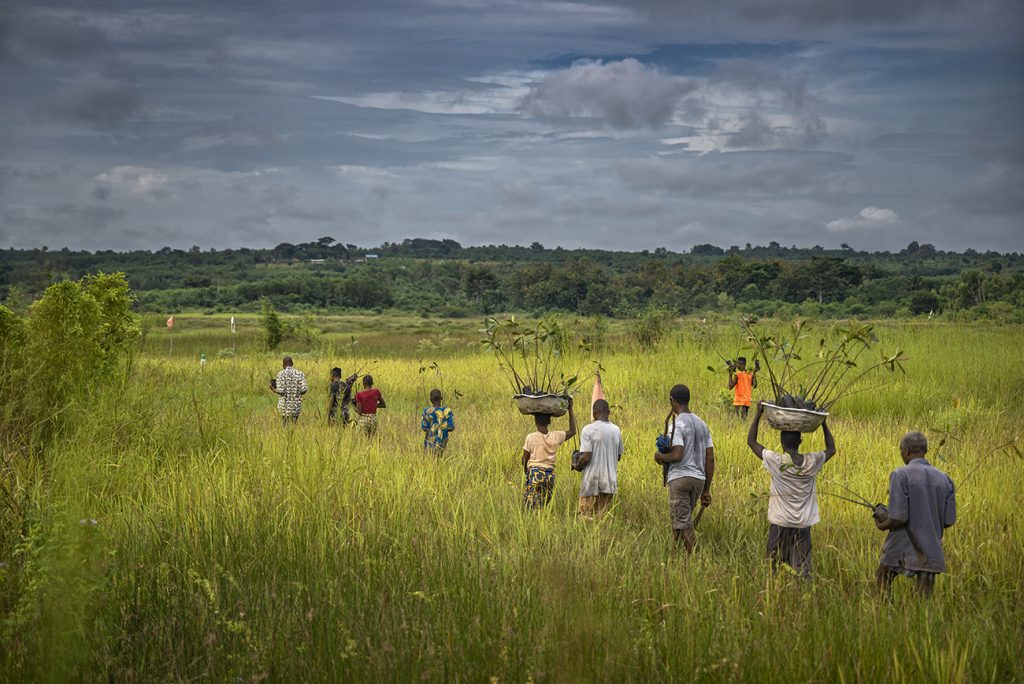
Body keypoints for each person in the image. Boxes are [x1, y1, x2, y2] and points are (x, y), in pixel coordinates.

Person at [747, 401, 836, 578]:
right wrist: (823, 422)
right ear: (800, 441)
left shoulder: (777, 461)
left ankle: (777, 597)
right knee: (802, 571)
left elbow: (751, 442)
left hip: (780, 523)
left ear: (781, 442)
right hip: (803, 524)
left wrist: (757, 414)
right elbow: (831, 449)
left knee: (773, 568)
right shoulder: (812, 461)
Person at [872, 431, 956, 598]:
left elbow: (898, 517)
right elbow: (949, 520)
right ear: (924, 450)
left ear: (907, 451)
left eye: (901, 451)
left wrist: (882, 523)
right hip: (931, 548)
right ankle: (923, 622)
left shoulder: (900, 474)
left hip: (902, 545)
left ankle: (886, 616)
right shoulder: (945, 479)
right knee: (925, 595)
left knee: (883, 576)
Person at [653, 384, 714, 553]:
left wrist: (660, 456)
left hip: (680, 478)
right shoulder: (702, 424)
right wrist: (706, 489)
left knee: (683, 522)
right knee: (681, 518)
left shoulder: (677, 425)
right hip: (699, 480)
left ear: (672, 401)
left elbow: (677, 455)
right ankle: (676, 555)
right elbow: (710, 458)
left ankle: (695, 558)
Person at [522, 399, 577, 510]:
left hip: (535, 474)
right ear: (549, 422)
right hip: (549, 475)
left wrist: (526, 472)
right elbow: (572, 431)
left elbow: (525, 459)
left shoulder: (531, 437)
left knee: (530, 506)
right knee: (543, 505)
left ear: (536, 422)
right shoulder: (556, 436)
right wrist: (570, 409)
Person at [573, 399, 623, 519]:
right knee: (601, 518)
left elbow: (586, 457)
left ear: (595, 413)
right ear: (609, 412)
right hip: (609, 481)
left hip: (591, 480)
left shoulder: (588, 430)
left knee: (584, 517)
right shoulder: (616, 430)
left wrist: (577, 466)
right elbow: (618, 456)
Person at [271, 356, 308, 425]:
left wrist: (274, 389)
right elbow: (304, 389)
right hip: (296, 406)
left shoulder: (280, 374)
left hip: (284, 407)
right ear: (292, 363)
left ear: (283, 364)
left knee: (285, 425)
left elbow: (281, 391)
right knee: (293, 425)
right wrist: (296, 392)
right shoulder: (300, 374)